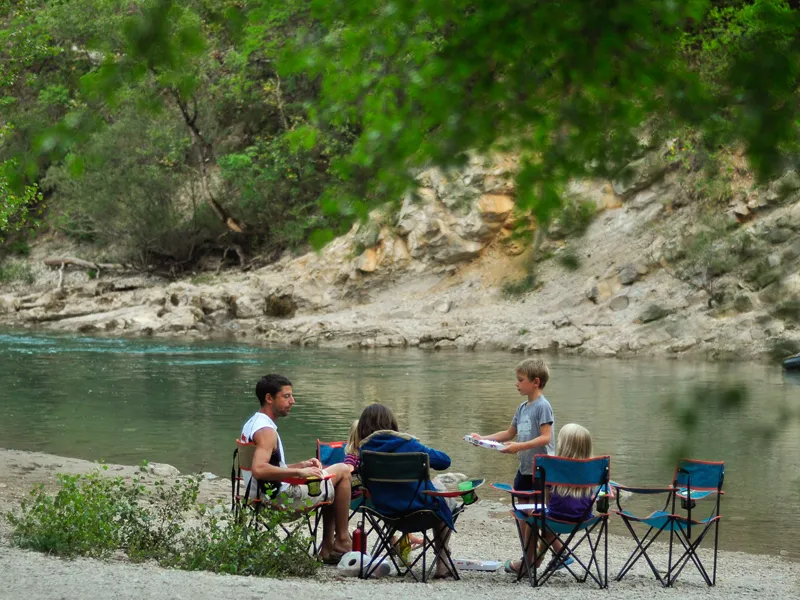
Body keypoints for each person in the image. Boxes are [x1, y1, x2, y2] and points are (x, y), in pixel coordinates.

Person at [241, 374, 352, 564]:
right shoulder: (267, 431)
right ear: (269, 398)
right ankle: (341, 541)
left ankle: (329, 547)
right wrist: (299, 473)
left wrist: (300, 465)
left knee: (328, 477)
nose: (292, 401)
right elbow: (259, 469)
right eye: (286, 396)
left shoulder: (252, 423)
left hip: (258, 497)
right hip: (282, 502)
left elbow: (266, 468)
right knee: (342, 470)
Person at [467, 357, 555, 576]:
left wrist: (519, 446)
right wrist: (482, 438)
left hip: (541, 471)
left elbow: (546, 438)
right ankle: (530, 559)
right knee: (523, 515)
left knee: (535, 516)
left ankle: (534, 560)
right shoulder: (522, 407)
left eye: (520, 380)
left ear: (535, 382)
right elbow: (508, 434)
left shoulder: (543, 407)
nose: (516, 384)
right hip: (524, 468)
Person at [357, 403, 457, 579]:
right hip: (420, 511)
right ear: (391, 423)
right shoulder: (409, 444)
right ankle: (442, 560)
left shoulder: (365, 451)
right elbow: (444, 461)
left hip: (386, 514)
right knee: (445, 495)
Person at [525, 423, 596, 572]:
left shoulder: (552, 467)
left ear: (563, 445)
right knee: (547, 519)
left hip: (554, 519)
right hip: (584, 519)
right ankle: (551, 556)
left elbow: (547, 501)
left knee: (535, 518)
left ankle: (528, 564)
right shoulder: (593, 469)